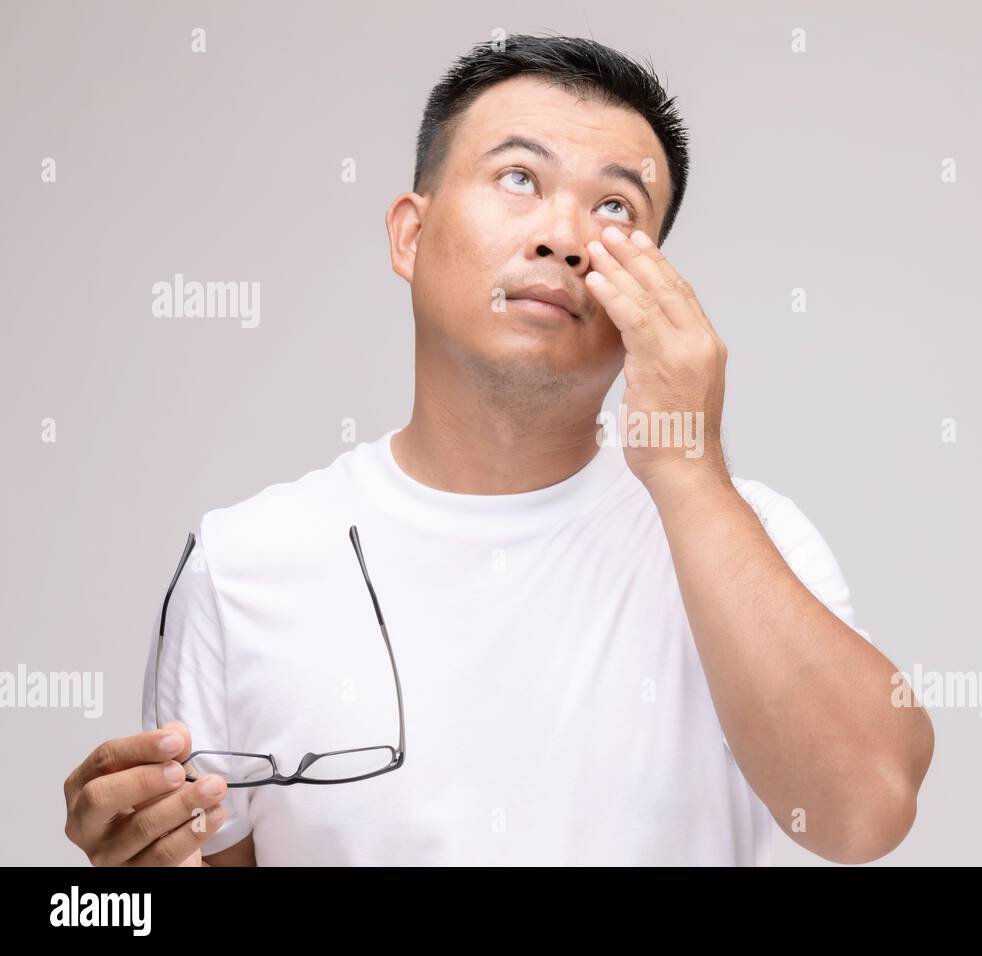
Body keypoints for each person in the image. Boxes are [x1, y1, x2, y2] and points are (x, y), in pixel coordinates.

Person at [63, 34, 933, 867]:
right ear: (410, 233)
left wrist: (686, 463)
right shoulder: (245, 561)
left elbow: (864, 815)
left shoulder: (750, 540)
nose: (562, 236)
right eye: (519, 177)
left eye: (616, 208)